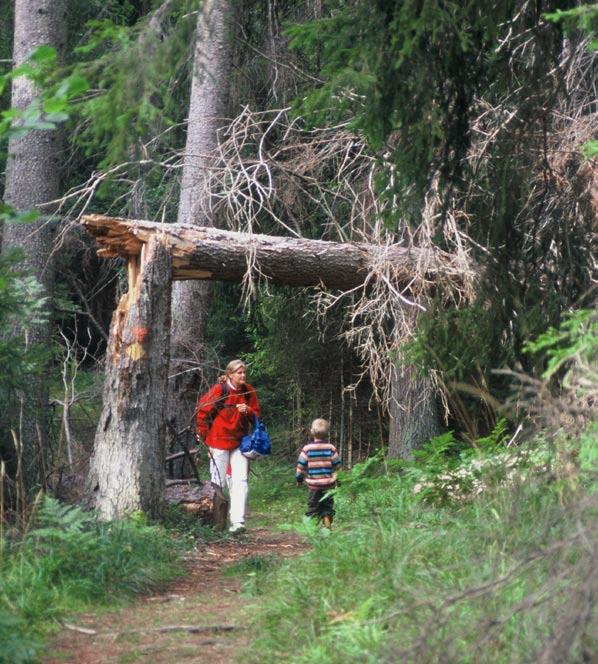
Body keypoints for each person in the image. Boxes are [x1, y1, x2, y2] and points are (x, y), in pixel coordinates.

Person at [196, 359, 261, 533]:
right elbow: (202, 411)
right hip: (218, 441)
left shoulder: (248, 392)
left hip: (240, 443)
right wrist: (204, 439)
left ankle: (237, 522)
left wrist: (248, 411)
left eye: (244, 372)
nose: (243, 375)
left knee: (241, 481)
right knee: (218, 482)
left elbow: (257, 417)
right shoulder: (220, 390)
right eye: (239, 372)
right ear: (230, 374)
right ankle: (216, 521)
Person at [295, 418, 341, 528]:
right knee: (327, 508)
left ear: (312, 432)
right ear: (327, 433)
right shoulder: (331, 448)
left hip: (313, 486)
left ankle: (313, 530)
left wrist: (299, 479)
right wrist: (338, 480)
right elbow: (337, 466)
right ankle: (327, 526)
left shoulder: (307, 449)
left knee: (312, 508)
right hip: (328, 486)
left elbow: (300, 467)